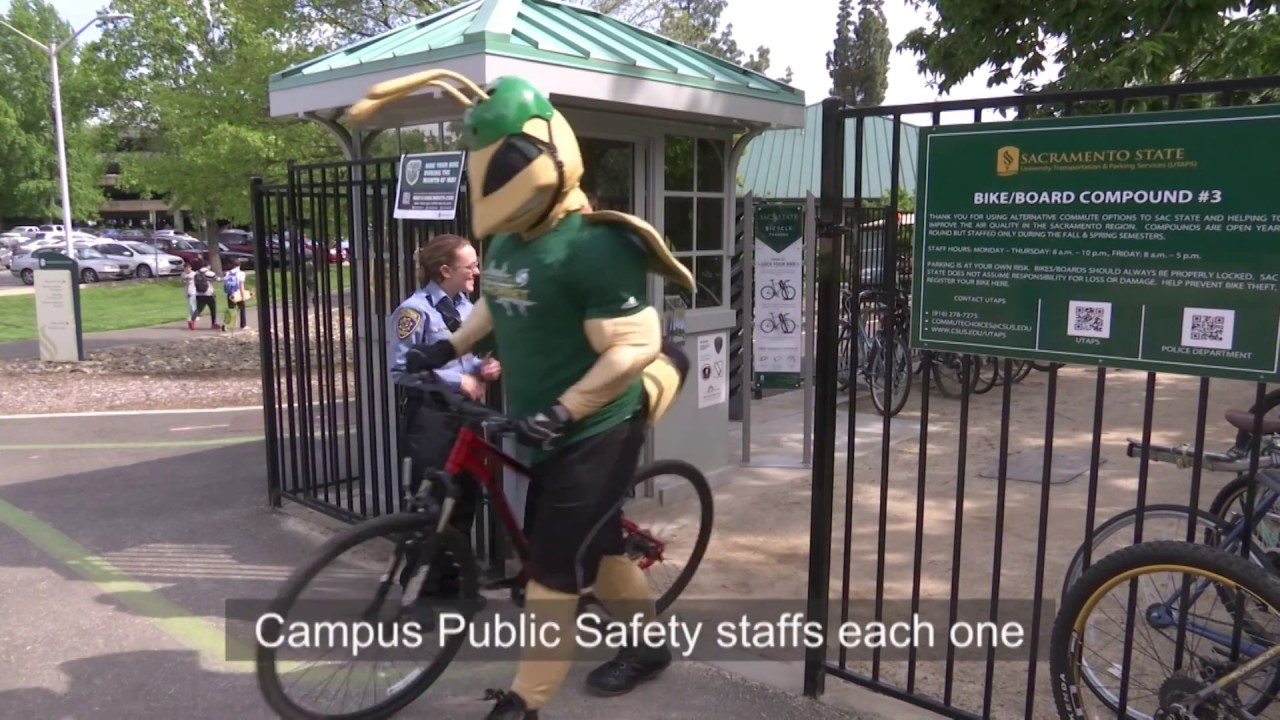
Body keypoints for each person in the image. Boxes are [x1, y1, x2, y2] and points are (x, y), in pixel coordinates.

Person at [351, 70, 694, 719]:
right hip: (546, 423)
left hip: (599, 426)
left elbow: (634, 345)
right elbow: (495, 305)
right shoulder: (508, 237)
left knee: (552, 568)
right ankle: (648, 647)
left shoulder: (595, 246)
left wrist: (568, 409)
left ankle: (524, 699)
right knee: (592, 547)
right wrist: (445, 349)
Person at [388, 233, 501, 595]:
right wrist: (458, 381)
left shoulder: (470, 308)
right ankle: (417, 589)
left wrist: (485, 369)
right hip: (431, 418)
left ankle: (454, 583)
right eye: (470, 266)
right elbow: (400, 368)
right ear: (445, 270)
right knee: (431, 503)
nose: (477, 272)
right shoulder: (414, 311)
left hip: (465, 418)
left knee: (465, 498)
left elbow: (471, 359)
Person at [187, 260, 222, 330]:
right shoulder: (209, 273)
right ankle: (213, 323)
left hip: (199, 293)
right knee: (213, 309)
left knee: (198, 309)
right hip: (209, 294)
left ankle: (192, 320)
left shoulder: (196, 273)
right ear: (208, 266)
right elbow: (218, 279)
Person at [221, 258, 250, 331]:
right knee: (242, 308)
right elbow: (241, 286)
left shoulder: (228, 273)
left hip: (230, 293)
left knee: (231, 309)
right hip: (238, 293)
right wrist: (243, 296)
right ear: (239, 265)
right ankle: (243, 325)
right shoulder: (241, 273)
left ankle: (226, 325)